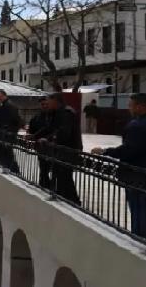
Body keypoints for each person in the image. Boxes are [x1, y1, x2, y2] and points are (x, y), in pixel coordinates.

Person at [92, 93, 146, 237]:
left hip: (137, 175)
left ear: (140, 107)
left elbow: (129, 150)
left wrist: (105, 151)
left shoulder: (137, 126)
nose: (129, 108)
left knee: (139, 212)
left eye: (131, 105)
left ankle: (139, 240)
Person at [39, 93, 83, 204]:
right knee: (60, 175)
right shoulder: (57, 112)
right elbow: (50, 128)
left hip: (68, 150)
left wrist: (49, 139)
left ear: (55, 101)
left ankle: (73, 201)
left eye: (49, 102)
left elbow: (64, 132)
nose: (47, 104)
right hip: (60, 150)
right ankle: (62, 196)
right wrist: (36, 136)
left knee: (65, 176)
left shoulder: (67, 113)